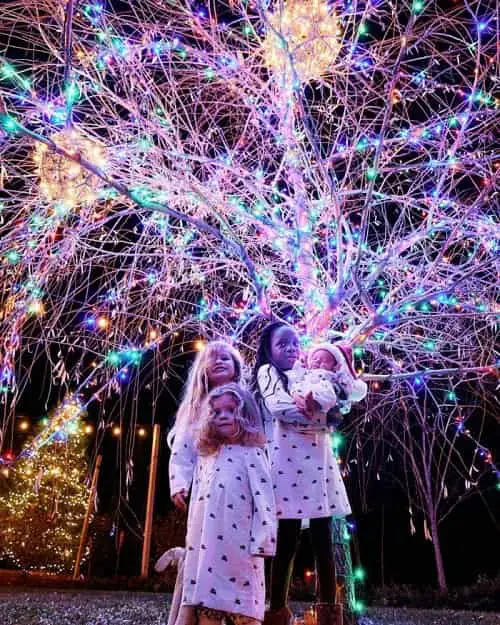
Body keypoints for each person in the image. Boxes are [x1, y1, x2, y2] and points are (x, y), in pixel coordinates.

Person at [252, 322, 350, 625]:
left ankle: (329, 612)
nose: (292, 348)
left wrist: (327, 411)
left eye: (296, 343)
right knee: (287, 539)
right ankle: (277, 610)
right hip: (288, 466)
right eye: (283, 344)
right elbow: (279, 407)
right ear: (269, 349)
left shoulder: (310, 372)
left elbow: (342, 401)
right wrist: (323, 419)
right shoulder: (269, 373)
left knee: (323, 539)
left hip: (320, 465)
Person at [178, 383, 276, 625]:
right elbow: (197, 504)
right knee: (209, 603)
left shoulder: (252, 453)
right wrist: (192, 537)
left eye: (231, 410)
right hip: (207, 544)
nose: (224, 417)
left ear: (244, 414)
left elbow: (265, 501)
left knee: (244, 604)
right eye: (217, 412)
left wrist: (264, 540)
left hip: (241, 545)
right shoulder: (206, 456)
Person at [164, 340, 244, 625]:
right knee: (203, 553)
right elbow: (182, 451)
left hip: (239, 492)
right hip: (205, 492)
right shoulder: (196, 409)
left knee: (237, 555)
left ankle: (237, 613)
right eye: (213, 358)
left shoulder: (246, 402)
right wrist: (179, 483)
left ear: (236, 366)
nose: (220, 361)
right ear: (203, 371)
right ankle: (196, 615)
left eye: (226, 357)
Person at [287, 342, 367, 423]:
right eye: (314, 359)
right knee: (296, 387)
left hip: (320, 390)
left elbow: (347, 386)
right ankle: (302, 402)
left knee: (327, 393)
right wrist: (297, 363)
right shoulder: (307, 372)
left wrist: (342, 376)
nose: (317, 361)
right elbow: (296, 372)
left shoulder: (333, 376)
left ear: (334, 366)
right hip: (305, 389)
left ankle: (312, 405)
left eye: (324, 360)